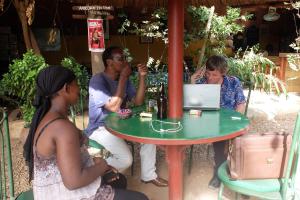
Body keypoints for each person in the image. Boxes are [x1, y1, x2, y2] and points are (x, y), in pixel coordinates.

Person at [23, 66, 148, 200]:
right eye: (76, 85)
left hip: (52, 190)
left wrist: (95, 163)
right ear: (66, 88)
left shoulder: (50, 118)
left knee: (119, 180)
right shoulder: (61, 127)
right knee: (141, 198)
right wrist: (102, 165)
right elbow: (73, 182)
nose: (80, 90)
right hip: (63, 194)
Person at [85, 46, 168, 187]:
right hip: (101, 128)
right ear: (109, 62)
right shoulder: (98, 81)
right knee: (125, 160)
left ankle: (148, 175)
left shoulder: (124, 80)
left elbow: (138, 101)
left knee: (149, 134)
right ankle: (89, 174)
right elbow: (113, 107)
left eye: (125, 58)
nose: (125, 62)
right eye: (120, 59)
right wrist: (123, 76)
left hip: (121, 124)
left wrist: (142, 77)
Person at [191, 55, 246, 189]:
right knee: (219, 138)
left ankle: (239, 177)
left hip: (229, 122)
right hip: (208, 121)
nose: (210, 78)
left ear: (223, 72)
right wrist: (192, 81)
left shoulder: (233, 82)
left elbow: (241, 104)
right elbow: (193, 107)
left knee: (241, 141)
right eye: (208, 74)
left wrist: (233, 124)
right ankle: (218, 173)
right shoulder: (202, 82)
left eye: (214, 75)